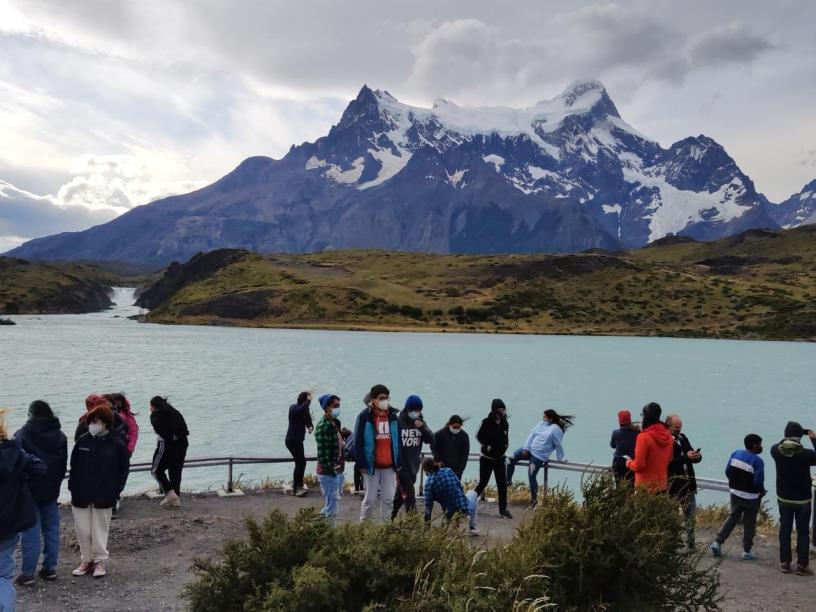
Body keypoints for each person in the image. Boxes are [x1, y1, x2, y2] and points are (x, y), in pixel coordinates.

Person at [68, 405, 129, 578]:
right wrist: (73, 486)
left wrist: (116, 491)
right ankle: (87, 560)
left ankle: (100, 560)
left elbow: (123, 470)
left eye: (96, 421)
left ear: (106, 423)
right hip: (81, 492)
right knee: (83, 529)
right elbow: (74, 465)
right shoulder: (83, 441)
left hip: (104, 493)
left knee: (100, 529)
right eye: (91, 422)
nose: (92, 425)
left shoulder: (117, 444)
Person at [14, 401, 67, 586]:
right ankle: (50, 569)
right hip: (51, 489)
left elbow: (18, 465)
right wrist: (54, 483)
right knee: (52, 529)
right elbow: (61, 465)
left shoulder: (22, 435)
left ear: (31, 414)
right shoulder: (60, 436)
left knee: (30, 532)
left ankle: (27, 573)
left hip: (29, 491)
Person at [0, 408, 46, 610]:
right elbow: (40, 468)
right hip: (9, 523)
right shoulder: (14, 453)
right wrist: (19, 480)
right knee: (3, 575)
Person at [770, 421, 816, 575]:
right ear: (799, 437)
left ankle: (785, 562)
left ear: (785, 435)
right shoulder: (807, 454)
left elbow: (780, 444)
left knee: (785, 530)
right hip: (803, 499)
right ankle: (802, 565)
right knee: (803, 532)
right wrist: (813, 439)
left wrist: (788, 438)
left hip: (784, 498)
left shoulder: (775, 451)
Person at [710, 434, 765, 561]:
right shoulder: (757, 461)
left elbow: (728, 471)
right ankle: (747, 551)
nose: (761, 447)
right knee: (749, 523)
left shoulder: (736, 454)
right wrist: (761, 491)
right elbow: (758, 481)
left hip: (735, 492)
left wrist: (736, 483)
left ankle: (717, 542)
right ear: (754, 445)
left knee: (732, 517)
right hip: (751, 497)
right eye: (760, 444)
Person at [507, 409, 574, 509]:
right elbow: (532, 435)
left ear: (551, 418)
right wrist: (526, 448)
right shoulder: (542, 424)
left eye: (545, 417)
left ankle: (534, 500)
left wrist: (560, 458)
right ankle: (508, 481)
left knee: (531, 475)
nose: (543, 419)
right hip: (529, 449)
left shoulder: (556, 430)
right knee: (510, 458)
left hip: (539, 456)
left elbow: (558, 444)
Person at [353, 384, 400, 522]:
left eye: (386, 398)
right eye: (381, 398)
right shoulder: (364, 416)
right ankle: (364, 526)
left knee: (388, 499)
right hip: (371, 466)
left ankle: (385, 528)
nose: (384, 401)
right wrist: (361, 463)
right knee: (370, 499)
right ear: (373, 400)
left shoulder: (392, 416)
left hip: (389, 466)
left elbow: (398, 441)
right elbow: (358, 441)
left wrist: (399, 461)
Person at [392, 395, 434, 519]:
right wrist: (397, 464)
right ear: (407, 409)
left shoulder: (420, 422)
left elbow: (431, 439)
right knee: (410, 498)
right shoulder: (398, 422)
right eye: (413, 410)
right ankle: (413, 525)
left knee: (400, 497)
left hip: (414, 465)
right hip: (402, 466)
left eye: (418, 410)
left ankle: (388, 518)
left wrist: (422, 428)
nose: (416, 412)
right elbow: (393, 444)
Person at [666, 414, 702, 548]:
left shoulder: (683, 438)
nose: (678, 430)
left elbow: (689, 453)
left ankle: (691, 542)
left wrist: (696, 456)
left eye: (680, 427)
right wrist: (686, 457)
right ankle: (671, 543)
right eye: (676, 428)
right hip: (673, 485)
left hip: (688, 484)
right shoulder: (665, 441)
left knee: (691, 516)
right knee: (672, 516)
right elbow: (667, 464)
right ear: (668, 426)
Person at [474, 399, 512, 519]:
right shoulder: (485, 422)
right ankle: (468, 503)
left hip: (500, 459)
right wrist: (486, 446)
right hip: (486, 459)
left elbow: (506, 437)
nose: (502, 412)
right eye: (499, 410)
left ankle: (503, 509)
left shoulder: (505, 423)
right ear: (494, 410)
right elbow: (477, 436)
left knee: (502, 484)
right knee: (483, 483)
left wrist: (506, 446)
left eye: (503, 410)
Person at [149, 396, 189, 508]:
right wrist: (176, 436)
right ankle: (175, 498)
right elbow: (184, 430)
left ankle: (170, 493)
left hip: (166, 445)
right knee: (175, 470)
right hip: (182, 443)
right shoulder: (174, 412)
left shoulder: (156, 416)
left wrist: (171, 437)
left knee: (156, 470)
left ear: (154, 407)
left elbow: (162, 432)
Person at [421, 457, 479, 536]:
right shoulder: (448, 470)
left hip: (449, 513)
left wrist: (426, 529)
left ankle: (451, 521)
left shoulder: (429, 484)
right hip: (463, 507)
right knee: (473, 493)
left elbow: (428, 508)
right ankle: (472, 527)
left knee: (447, 506)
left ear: (425, 470)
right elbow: (460, 487)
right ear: (434, 463)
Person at [625, 402, 673, 493]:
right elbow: (669, 459)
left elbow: (639, 465)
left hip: (644, 488)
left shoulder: (643, 437)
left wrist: (629, 463)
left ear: (645, 417)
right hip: (661, 486)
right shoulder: (669, 437)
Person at [104, 393, 138, 519]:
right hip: (110, 452)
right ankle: (111, 501)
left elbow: (133, 432)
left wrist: (130, 448)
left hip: (123, 451)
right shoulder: (103, 415)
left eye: (120, 401)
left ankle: (115, 498)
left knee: (120, 476)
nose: (118, 403)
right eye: (115, 401)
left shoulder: (126, 416)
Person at [314, 394, 344, 526]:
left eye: (339, 405)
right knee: (332, 508)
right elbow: (322, 454)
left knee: (332, 503)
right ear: (327, 408)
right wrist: (332, 471)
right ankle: (331, 534)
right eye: (335, 406)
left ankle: (316, 525)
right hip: (328, 473)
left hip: (337, 470)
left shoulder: (335, 423)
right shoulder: (323, 427)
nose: (338, 408)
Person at [285, 391, 314, 497]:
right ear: (304, 401)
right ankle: (297, 488)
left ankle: (297, 487)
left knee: (301, 462)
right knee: (300, 462)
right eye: (308, 401)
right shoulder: (293, 408)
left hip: (298, 440)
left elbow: (308, 421)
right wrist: (308, 400)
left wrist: (310, 427)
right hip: (292, 440)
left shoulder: (304, 410)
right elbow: (301, 409)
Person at [433, 415, 470, 480]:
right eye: (454, 427)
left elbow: (465, 454)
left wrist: (460, 469)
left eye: (458, 427)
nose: (456, 429)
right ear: (449, 425)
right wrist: (438, 460)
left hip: (457, 471)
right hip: (442, 468)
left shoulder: (464, 436)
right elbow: (433, 447)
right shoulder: (439, 434)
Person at [610, 409, 638, 486]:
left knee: (618, 486)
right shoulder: (636, 433)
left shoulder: (615, 433)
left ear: (619, 421)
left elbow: (612, 445)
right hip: (630, 463)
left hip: (618, 462)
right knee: (631, 486)